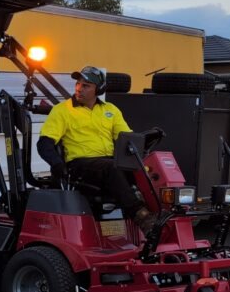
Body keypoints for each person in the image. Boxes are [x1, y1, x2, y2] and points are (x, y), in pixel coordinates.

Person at [36, 65, 157, 236]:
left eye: (86, 86)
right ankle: (141, 216)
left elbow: (126, 138)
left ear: (98, 90)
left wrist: (145, 140)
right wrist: (56, 163)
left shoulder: (110, 110)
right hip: (79, 165)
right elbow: (44, 143)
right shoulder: (62, 111)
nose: (79, 89)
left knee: (145, 168)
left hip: (106, 163)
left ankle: (160, 212)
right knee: (111, 167)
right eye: (78, 84)